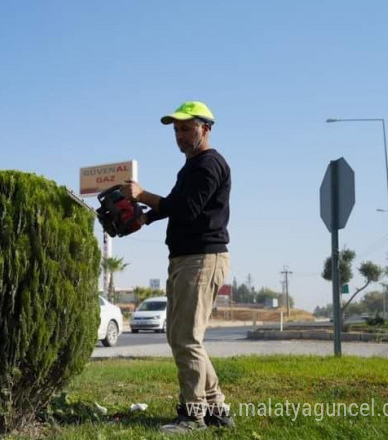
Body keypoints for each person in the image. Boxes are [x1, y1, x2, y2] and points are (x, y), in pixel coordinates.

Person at [121, 101, 233, 433]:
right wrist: (145, 217)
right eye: (176, 130)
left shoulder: (209, 165)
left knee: (186, 338)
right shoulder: (191, 167)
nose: (180, 135)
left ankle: (193, 416)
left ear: (206, 128)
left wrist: (143, 195)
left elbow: (186, 208)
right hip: (185, 258)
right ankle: (216, 409)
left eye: (187, 128)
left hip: (202, 258)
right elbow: (173, 202)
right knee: (181, 335)